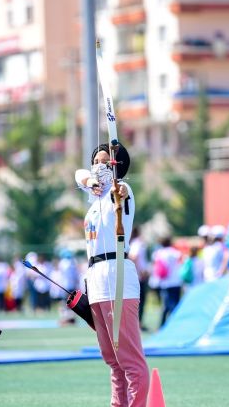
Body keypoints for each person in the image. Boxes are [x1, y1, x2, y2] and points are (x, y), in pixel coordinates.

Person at [75, 143, 149, 407]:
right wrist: (90, 181)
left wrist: (118, 187)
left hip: (117, 276)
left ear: (117, 166)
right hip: (96, 278)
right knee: (112, 358)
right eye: (96, 161)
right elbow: (79, 174)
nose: (99, 166)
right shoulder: (95, 196)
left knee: (129, 359)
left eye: (106, 161)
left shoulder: (121, 191)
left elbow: (122, 191)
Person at [152, 237, 183, 327]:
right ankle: (176, 324)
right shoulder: (175, 252)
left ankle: (162, 325)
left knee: (166, 305)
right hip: (176, 282)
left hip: (165, 283)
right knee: (175, 305)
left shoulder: (159, 253)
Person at [128, 227, 149, 329]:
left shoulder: (132, 243)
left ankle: (136, 322)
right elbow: (134, 257)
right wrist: (140, 271)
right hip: (139, 276)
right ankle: (137, 323)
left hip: (136, 275)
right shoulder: (137, 243)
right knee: (140, 300)